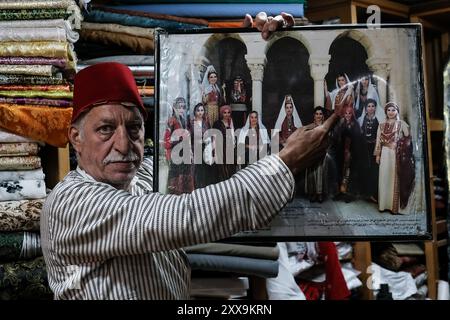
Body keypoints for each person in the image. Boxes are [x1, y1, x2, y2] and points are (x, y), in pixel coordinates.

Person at [41, 15, 338, 300]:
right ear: (75, 138)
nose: (123, 144)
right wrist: (288, 162)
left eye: (133, 128)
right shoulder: (71, 203)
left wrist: (255, 40)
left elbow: (226, 173)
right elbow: (188, 215)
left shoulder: (143, 177)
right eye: (105, 129)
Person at [374, 102, 410, 214]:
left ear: (397, 112)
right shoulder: (381, 124)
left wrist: (400, 145)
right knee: (384, 177)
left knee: (394, 178)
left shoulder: (401, 123)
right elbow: (378, 141)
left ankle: (394, 208)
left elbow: (408, 138)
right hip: (384, 154)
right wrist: (378, 155)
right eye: (388, 110)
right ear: (386, 111)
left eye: (393, 110)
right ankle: (383, 205)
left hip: (396, 155)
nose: (391, 112)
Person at [163, 96, 194, 194]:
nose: (182, 109)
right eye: (179, 107)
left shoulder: (183, 119)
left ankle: (183, 193)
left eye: (184, 107)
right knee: (177, 174)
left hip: (184, 150)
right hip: (176, 151)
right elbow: (167, 139)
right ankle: (176, 194)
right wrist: (178, 137)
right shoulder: (172, 120)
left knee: (185, 173)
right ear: (174, 107)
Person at [187, 103, 213, 189]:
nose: (200, 112)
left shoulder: (206, 123)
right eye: (198, 110)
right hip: (195, 148)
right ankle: (195, 188)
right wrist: (190, 150)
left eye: (202, 110)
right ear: (194, 111)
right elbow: (188, 137)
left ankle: (203, 189)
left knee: (204, 170)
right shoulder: (191, 123)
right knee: (195, 170)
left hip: (204, 149)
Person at [304, 106, 327, 203]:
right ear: (314, 116)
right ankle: (312, 193)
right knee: (311, 172)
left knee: (320, 171)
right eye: (317, 114)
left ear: (323, 116)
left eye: (320, 114)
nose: (318, 116)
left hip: (322, 153)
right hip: (312, 152)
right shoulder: (310, 127)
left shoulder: (326, 127)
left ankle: (320, 193)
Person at [360, 99, 380, 203]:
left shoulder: (378, 119)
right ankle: (366, 193)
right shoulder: (362, 119)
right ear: (365, 108)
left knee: (374, 171)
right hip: (365, 148)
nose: (371, 108)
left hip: (374, 148)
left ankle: (374, 193)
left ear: (375, 108)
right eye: (369, 106)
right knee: (365, 170)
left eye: (373, 106)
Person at [212, 105, 237, 183]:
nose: (227, 114)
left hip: (230, 150)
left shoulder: (231, 123)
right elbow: (214, 138)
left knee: (230, 169)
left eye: (228, 112)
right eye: (225, 113)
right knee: (222, 170)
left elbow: (233, 138)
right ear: (221, 113)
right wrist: (214, 150)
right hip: (220, 149)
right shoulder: (217, 123)